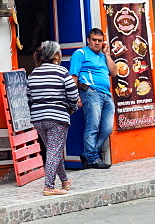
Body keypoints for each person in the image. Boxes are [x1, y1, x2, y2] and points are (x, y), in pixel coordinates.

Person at [27, 40, 80, 196]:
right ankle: (49, 186)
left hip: (38, 118)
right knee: (54, 151)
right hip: (57, 116)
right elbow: (73, 94)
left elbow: (29, 97)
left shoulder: (33, 73)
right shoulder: (62, 72)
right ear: (56, 55)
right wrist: (72, 108)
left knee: (53, 150)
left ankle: (64, 180)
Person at [69, 27, 118, 169]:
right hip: (90, 93)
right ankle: (92, 158)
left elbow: (114, 73)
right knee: (93, 126)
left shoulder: (103, 56)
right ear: (88, 41)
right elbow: (74, 76)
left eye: (100, 41)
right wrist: (75, 96)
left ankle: (88, 154)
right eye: (94, 40)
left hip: (106, 94)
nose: (97, 43)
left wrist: (107, 54)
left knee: (107, 128)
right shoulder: (81, 53)